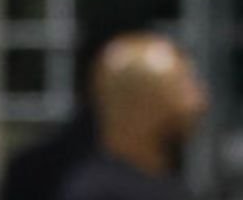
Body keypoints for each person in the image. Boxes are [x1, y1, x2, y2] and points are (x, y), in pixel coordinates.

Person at [60, 33, 208, 200]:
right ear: (142, 105)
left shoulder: (163, 183)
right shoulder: (99, 193)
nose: (199, 103)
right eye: (181, 90)